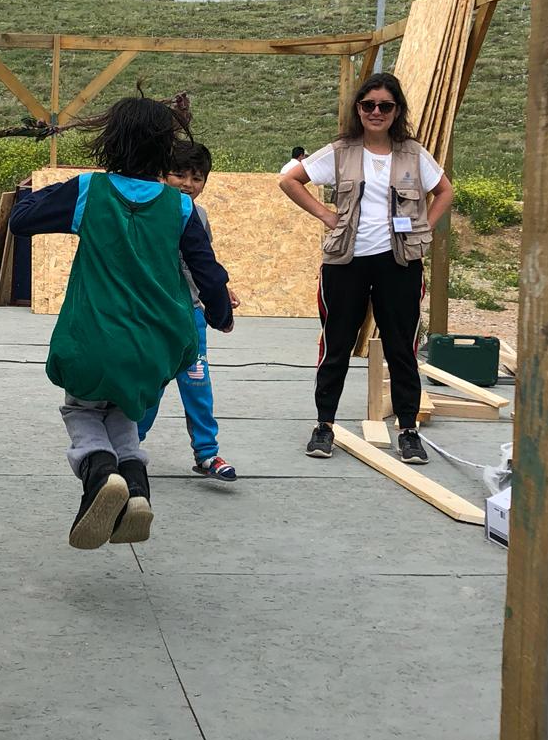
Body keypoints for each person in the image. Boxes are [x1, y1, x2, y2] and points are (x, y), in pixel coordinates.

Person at [9, 95, 233, 548]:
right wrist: (221, 315)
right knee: (123, 415)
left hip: (94, 337)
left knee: (83, 409)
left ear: (110, 141)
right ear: (165, 150)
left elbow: (21, 220)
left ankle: (99, 474)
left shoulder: (90, 190)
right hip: (156, 346)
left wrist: (56, 189)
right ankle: (136, 493)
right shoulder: (181, 208)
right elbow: (209, 273)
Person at [279, 71, 453, 465]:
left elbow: (445, 191)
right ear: (358, 109)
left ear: (397, 111)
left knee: (401, 348)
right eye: (368, 105)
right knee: (336, 344)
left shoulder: (413, 154)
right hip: (346, 262)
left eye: (385, 106)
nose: (376, 112)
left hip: (399, 263)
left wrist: (425, 227)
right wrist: (327, 216)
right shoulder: (340, 151)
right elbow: (290, 181)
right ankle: (324, 425)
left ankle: (408, 430)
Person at [138, 141, 239, 482]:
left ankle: (207, 453)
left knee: (198, 383)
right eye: (179, 175)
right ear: (161, 175)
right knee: (150, 385)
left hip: (191, 315)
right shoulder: (149, 212)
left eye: (197, 178)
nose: (187, 184)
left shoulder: (201, 215)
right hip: (154, 316)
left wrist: (220, 292)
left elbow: (203, 264)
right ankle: (128, 447)